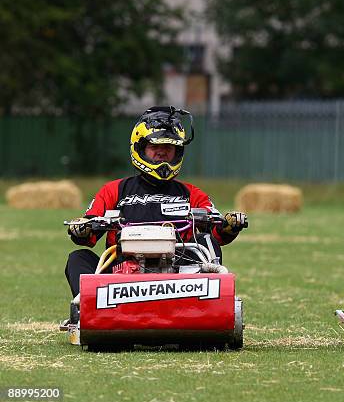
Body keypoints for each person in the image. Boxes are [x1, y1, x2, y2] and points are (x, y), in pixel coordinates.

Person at [64, 106, 248, 298]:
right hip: (121, 275)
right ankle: (84, 309)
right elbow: (87, 236)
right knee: (78, 258)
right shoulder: (114, 190)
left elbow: (216, 235)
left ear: (178, 151)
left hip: (178, 277)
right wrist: (82, 229)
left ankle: (211, 303)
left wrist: (230, 226)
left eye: (168, 148)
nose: (161, 153)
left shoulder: (191, 193)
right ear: (139, 149)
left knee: (205, 241)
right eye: (155, 147)